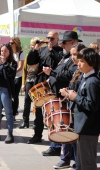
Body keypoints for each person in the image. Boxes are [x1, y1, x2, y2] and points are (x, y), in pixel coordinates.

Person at [42, 31, 82, 169]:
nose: (62, 46)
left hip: (68, 98)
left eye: (64, 43)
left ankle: (75, 161)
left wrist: (52, 73)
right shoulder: (66, 57)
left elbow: (68, 74)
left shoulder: (76, 60)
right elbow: (60, 71)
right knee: (63, 129)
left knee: (69, 131)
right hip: (62, 97)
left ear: (73, 43)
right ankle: (66, 158)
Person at [25, 30, 63, 144]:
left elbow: (58, 61)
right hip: (41, 83)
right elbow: (31, 61)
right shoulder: (42, 50)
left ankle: (55, 141)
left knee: (53, 112)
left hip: (53, 83)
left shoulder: (60, 51)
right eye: (48, 38)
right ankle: (37, 135)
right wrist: (35, 49)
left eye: (52, 39)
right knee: (38, 110)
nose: (49, 41)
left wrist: (51, 50)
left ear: (57, 40)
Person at [65, 48, 100, 170]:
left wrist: (75, 97)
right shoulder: (86, 78)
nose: (78, 64)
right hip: (82, 127)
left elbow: (92, 105)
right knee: (81, 163)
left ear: (91, 62)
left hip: (88, 128)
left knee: (88, 164)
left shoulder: (92, 82)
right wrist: (72, 95)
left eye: (82, 61)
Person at [57, 44, 86, 170]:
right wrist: (67, 91)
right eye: (72, 54)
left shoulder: (83, 72)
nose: (73, 57)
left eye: (76, 54)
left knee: (76, 141)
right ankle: (72, 161)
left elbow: (80, 92)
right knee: (70, 138)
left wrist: (68, 93)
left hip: (78, 109)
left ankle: (78, 164)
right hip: (72, 106)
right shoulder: (77, 70)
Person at [19, 37, 40, 128]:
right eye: (31, 45)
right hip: (29, 80)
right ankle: (25, 121)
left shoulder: (41, 54)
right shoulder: (28, 55)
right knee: (27, 100)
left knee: (37, 102)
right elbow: (24, 70)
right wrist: (23, 83)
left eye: (34, 45)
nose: (32, 46)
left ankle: (37, 121)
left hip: (37, 80)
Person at [9, 37, 25, 120]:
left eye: (11, 43)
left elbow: (20, 67)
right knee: (9, 94)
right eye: (9, 43)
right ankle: (11, 111)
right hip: (11, 76)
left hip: (18, 76)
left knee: (15, 95)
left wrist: (12, 72)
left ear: (16, 44)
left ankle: (14, 113)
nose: (10, 44)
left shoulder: (21, 53)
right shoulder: (10, 53)